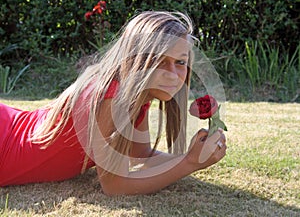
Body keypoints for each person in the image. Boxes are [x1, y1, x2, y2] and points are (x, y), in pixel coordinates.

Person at [0, 11, 227, 195]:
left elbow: (142, 153)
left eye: (180, 61)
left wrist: (194, 156)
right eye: (158, 60)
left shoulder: (138, 94)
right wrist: (188, 164)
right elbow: (115, 186)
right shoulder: (112, 96)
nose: (172, 73)